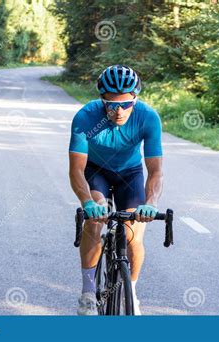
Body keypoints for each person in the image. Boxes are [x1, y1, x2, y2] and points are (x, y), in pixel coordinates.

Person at [68, 65, 164, 315]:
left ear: (136, 99)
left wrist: (151, 202)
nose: (119, 111)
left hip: (129, 175)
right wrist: (88, 202)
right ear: (102, 99)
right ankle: (88, 293)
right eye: (111, 104)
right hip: (96, 172)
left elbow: (155, 171)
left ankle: (130, 290)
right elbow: (77, 170)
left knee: (133, 234)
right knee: (96, 218)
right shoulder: (85, 118)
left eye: (126, 104)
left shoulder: (148, 117)